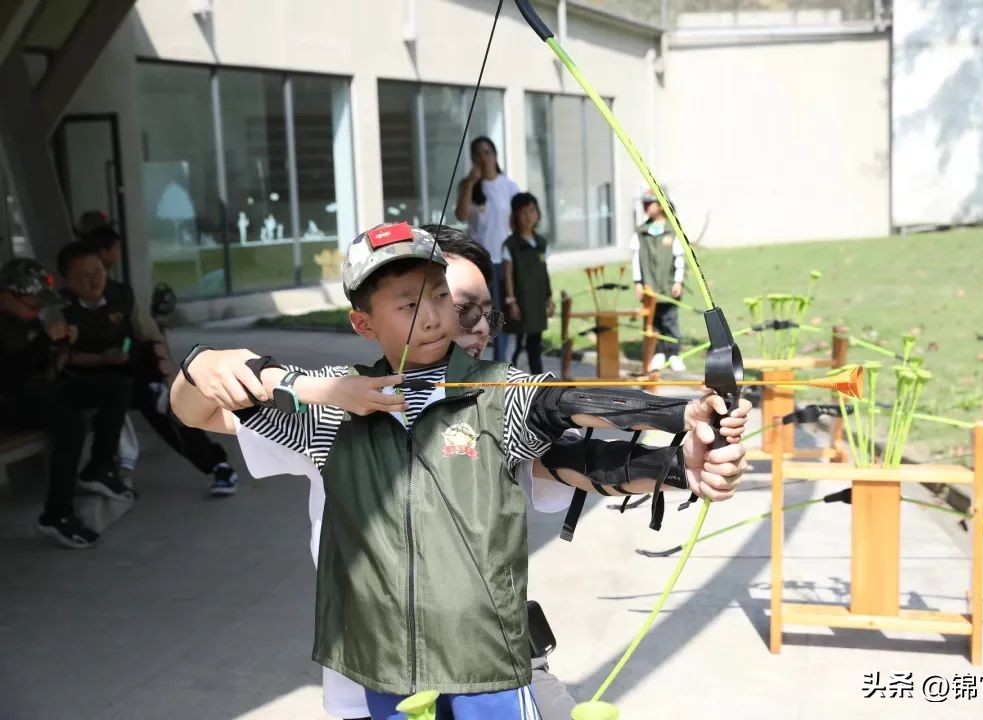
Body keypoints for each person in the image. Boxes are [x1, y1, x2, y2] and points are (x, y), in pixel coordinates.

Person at [170, 223, 748, 720]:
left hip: (484, 663)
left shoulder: (496, 390)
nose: (446, 320)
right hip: (375, 668)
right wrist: (210, 363)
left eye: (449, 300)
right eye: (408, 303)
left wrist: (681, 427)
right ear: (364, 322)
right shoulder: (332, 411)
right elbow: (197, 408)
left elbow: (564, 414)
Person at [58, 241, 240, 496]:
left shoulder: (121, 296)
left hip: (129, 373)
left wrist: (165, 374)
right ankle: (103, 470)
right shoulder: (59, 310)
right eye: (85, 276)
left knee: (162, 402)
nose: (95, 280)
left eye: (98, 271)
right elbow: (60, 359)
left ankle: (217, 466)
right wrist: (100, 359)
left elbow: (150, 335)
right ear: (67, 281)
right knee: (113, 398)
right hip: (88, 381)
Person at [0, 257, 132, 548]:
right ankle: (56, 513)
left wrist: (59, 348)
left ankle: (99, 466)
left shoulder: (27, 322)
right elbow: (9, 376)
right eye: (31, 305)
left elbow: (43, 371)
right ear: (7, 297)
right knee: (69, 423)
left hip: (36, 391)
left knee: (116, 386)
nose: (36, 312)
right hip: (9, 402)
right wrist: (44, 342)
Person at [455, 136, 520, 362]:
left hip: (505, 258)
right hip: (480, 260)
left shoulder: (509, 186)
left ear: (495, 156)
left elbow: (517, 223)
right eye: (478, 154)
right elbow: (462, 216)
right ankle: (475, 360)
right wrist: (471, 183)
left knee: (502, 314)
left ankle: (503, 361)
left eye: (487, 152)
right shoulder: (468, 186)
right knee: (481, 313)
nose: (483, 158)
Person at [631, 188, 686, 372]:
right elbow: (636, 260)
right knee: (653, 322)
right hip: (650, 288)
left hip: (668, 285)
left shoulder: (672, 231)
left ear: (661, 205)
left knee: (670, 320)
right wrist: (638, 282)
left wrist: (678, 281)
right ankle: (658, 353)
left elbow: (679, 258)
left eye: (650, 203)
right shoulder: (642, 232)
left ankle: (674, 354)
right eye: (644, 203)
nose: (645, 207)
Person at [502, 193, 553, 374]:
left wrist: (549, 297)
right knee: (517, 344)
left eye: (532, 211)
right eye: (523, 213)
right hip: (521, 304)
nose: (528, 216)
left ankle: (538, 380)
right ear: (515, 216)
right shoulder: (510, 245)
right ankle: (510, 377)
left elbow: (544, 272)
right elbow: (507, 273)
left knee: (535, 346)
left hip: (537, 303)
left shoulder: (541, 243)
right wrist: (511, 300)